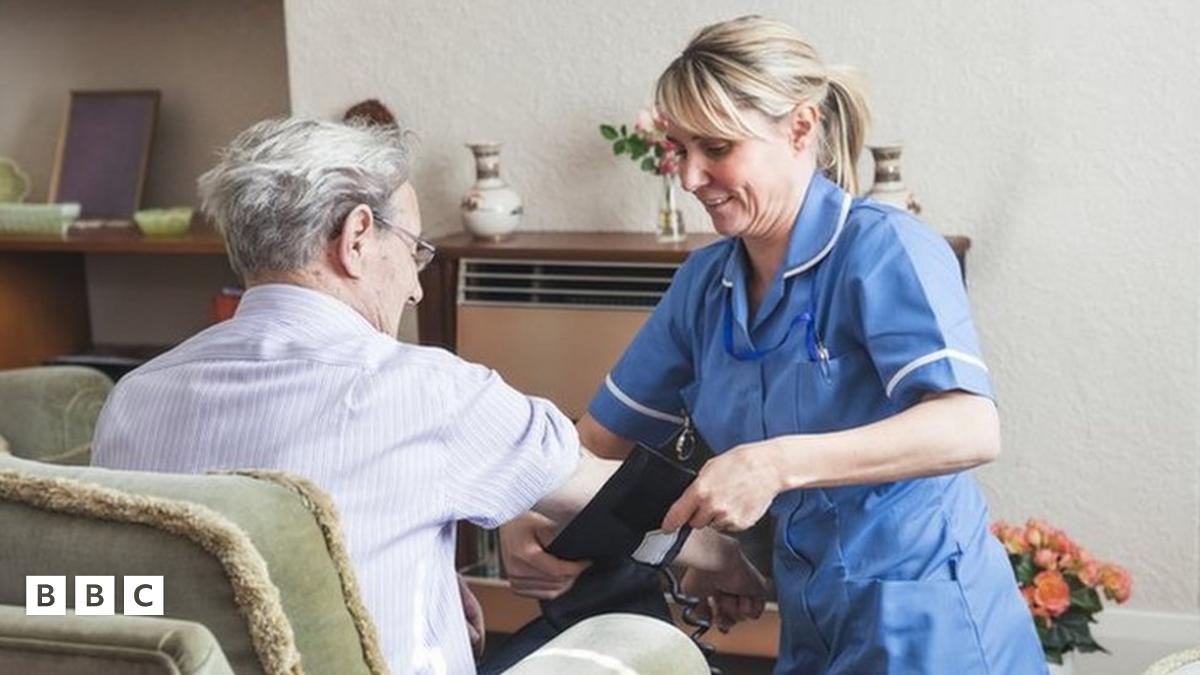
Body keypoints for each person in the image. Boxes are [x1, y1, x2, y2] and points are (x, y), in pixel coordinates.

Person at [91, 118, 764, 674]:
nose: (416, 289)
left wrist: (431, 578)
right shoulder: (427, 391)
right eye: (414, 252)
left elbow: (147, 588)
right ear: (357, 237)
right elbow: (615, 500)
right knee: (634, 632)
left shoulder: (134, 398)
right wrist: (728, 562)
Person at [506, 16, 1048, 674]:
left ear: (800, 128)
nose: (690, 177)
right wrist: (530, 507)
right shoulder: (704, 285)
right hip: (809, 616)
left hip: (930, 620)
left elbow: (970, 425)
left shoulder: (885, 250)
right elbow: (596, 443)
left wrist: (775, 464)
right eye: (680, 148)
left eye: (716, 147)